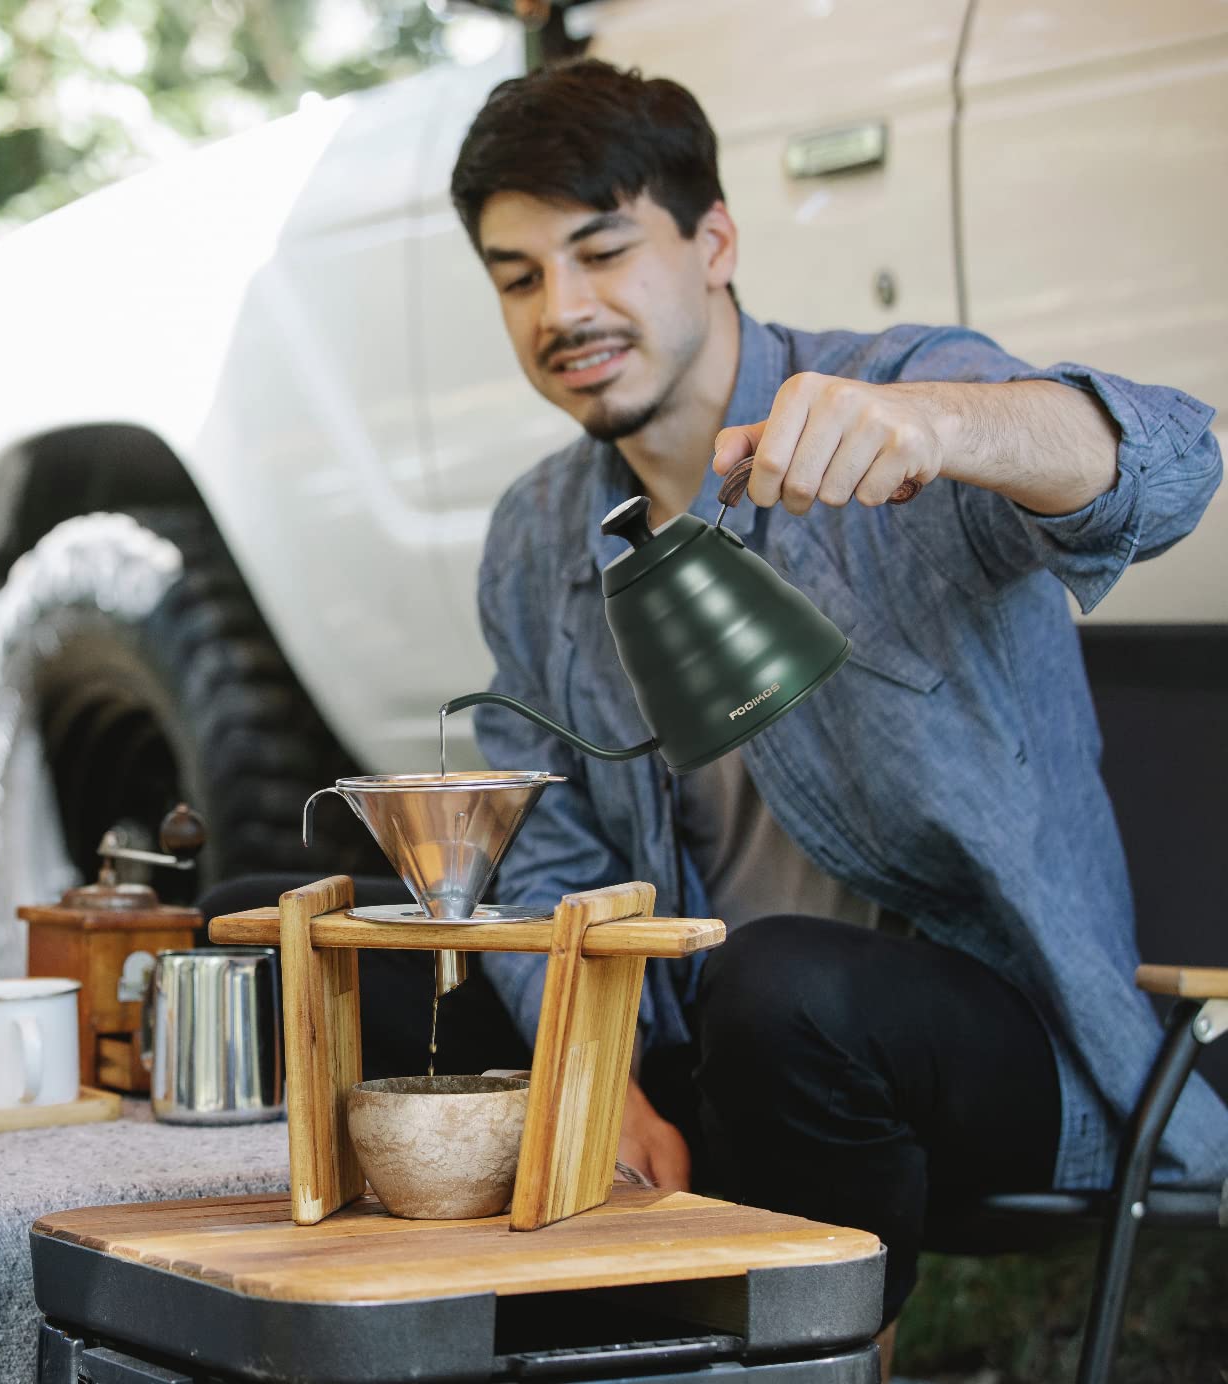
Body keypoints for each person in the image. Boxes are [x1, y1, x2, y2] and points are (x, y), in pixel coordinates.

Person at [448, 60, 1228, 1333]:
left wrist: (947, 429)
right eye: (520, 276)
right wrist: (595, 1083)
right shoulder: (537, 538)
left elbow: (1178, 462)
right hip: (711, 1055)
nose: (565, 309)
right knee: (346, 942)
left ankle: (790, 1363)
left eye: (602, 251)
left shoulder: (894, 394)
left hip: (999, 1047)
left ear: (715, 241)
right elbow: (542, 855)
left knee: (785, 987)